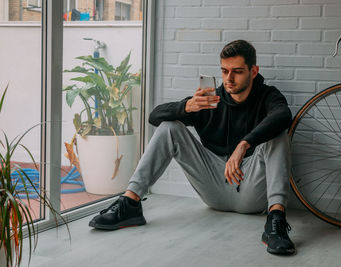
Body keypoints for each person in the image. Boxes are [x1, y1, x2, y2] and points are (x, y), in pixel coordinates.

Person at [89, 40, 295, 255]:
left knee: (277, 135)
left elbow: (283, 116)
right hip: (213, 188)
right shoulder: (209, 100)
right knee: (169, 126)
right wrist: (185, 107)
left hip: (251, 188)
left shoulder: (267, 95)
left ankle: (276, 223)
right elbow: (154, 116)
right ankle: (130, 204)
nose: (229, 79)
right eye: (224, 71)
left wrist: (244, 145)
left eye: (237, 71)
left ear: (253, 71)